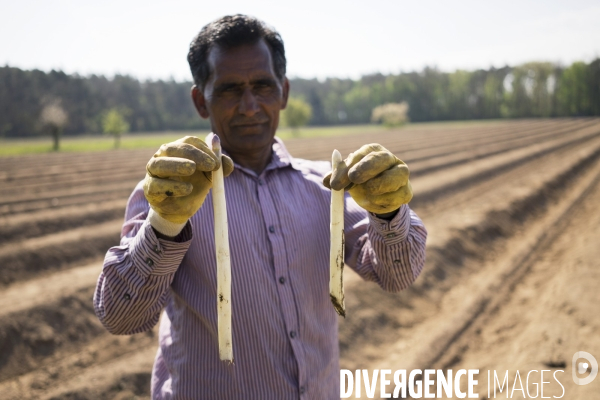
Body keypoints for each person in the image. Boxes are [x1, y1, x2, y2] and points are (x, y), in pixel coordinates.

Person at [93, 14, 427, 399]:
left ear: (283, 92)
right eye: (231, 90)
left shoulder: (326, 187)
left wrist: (387, 213)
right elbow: (120, 316)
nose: (250, 106)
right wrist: (164, 224)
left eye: (263, 87)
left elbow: (398, 275)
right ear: (201, 100)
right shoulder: (171, 195)